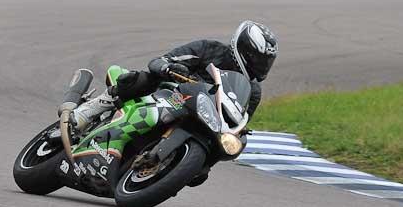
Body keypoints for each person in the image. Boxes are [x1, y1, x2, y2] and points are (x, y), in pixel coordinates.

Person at [63, 20, 278, 137]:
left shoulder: (253, 91)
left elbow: (240, 123)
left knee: (204, 171)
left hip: (200, 118)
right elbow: (159, 61)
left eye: (265, 62)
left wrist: (239, 133)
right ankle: (87, 112)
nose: (261, 67)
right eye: (258, 59)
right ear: (243, 49)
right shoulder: (208, 49)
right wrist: (170, 68)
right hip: (167, 94)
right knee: (137, 79)